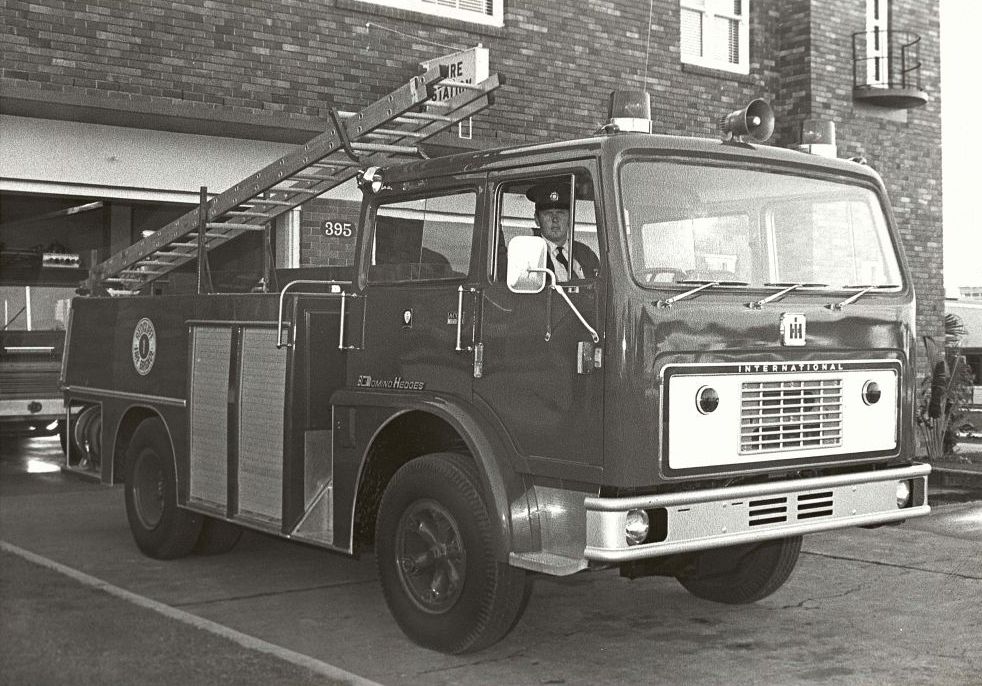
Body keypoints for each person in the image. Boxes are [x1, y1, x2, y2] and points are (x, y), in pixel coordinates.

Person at [526, 181, 599, 281]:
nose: (555, 219)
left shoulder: (586, 254)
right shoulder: (529, 255)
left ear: (570, 218)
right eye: (548, 214)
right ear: (537, 220)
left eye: (560, 213)